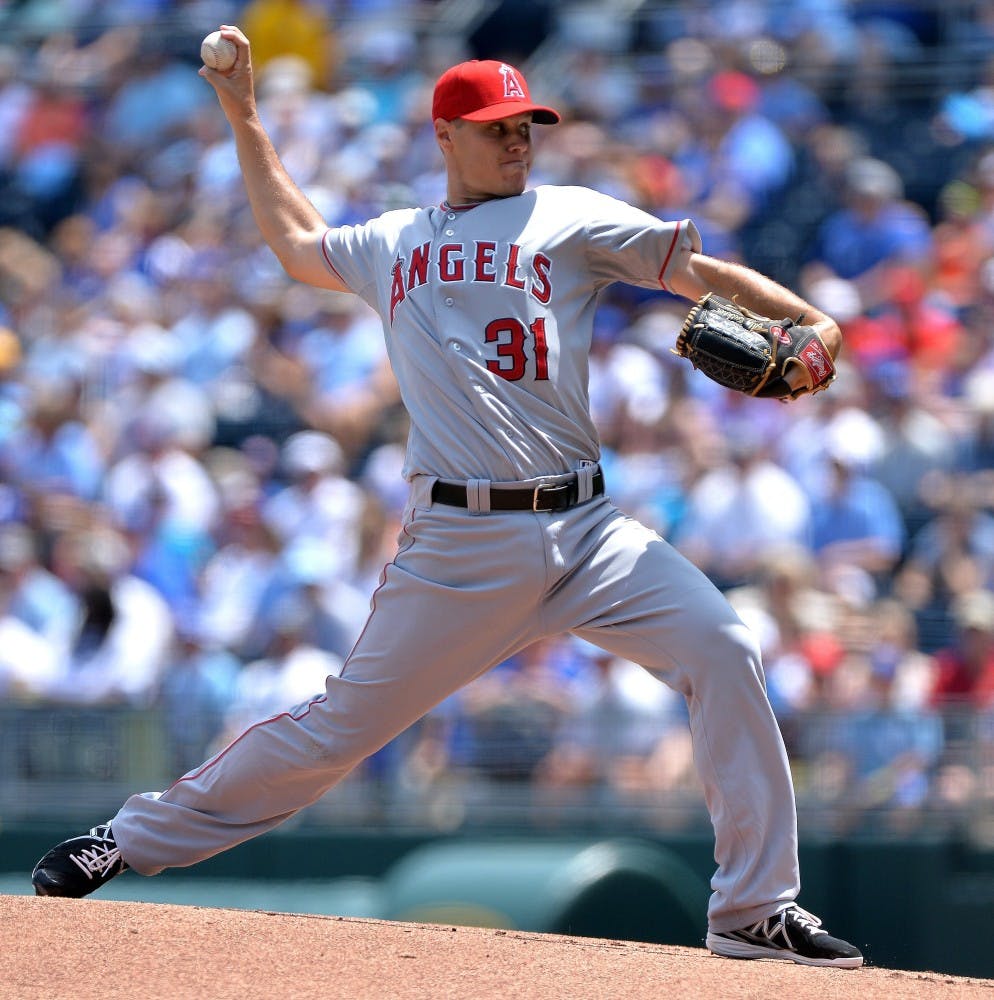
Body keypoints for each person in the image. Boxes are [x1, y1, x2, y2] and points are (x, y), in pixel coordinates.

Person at [30, 26, 863, 970]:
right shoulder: (395, 241)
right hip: (460, 544)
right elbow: (298, 242)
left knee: (724, 645)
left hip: (589, 529)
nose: (517, 142)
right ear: (445, 135)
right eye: (497, 127)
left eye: (526, 126)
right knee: (337, 731)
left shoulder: (570, 216)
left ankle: (753, 907)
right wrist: (246, 115)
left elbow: (696, 271)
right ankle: (128, 839)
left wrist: (803, 319)